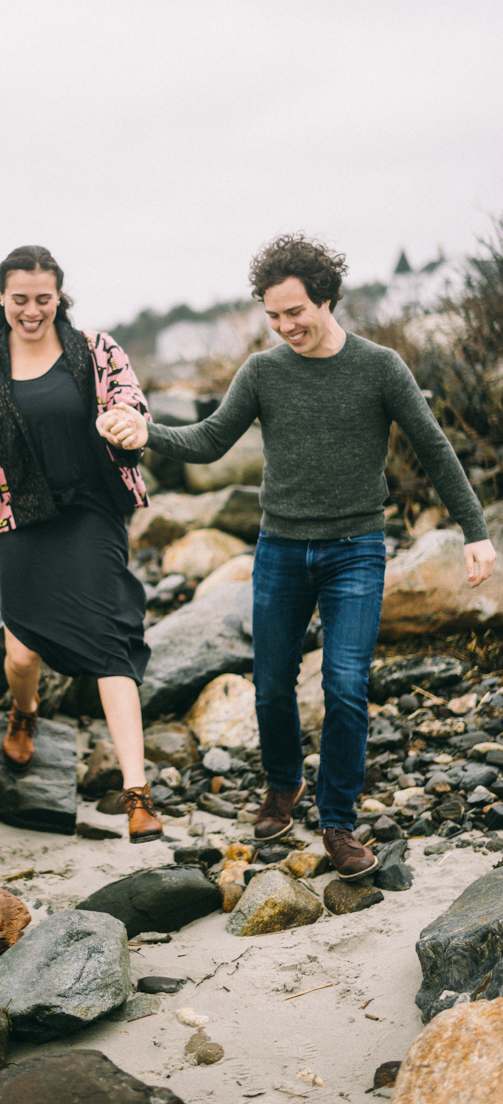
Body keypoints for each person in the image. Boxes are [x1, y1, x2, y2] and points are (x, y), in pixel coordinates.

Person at [98, 233, 497, 879]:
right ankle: (282, 787)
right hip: (281, 547)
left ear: (328, 298)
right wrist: (146, 434)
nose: (286, 327)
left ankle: (337, 821)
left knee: (344, 685)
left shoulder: (380, 366)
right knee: (273, 683)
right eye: (274, 317)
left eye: (296, 313)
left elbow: (434, 447)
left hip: (355, 551)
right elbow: (208, 441)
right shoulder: (263, 371)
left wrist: (475, 531)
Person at [0, 245, 163, 843]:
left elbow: (129, 401)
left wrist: (124, 422)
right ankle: (25, 710)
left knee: (112, 641)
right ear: (1, 299)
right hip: (19, 519)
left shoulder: (95, 350)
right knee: (20, 657)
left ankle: (137, 792)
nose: (33, 310)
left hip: (91, 512)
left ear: (59, 296)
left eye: (44, 298)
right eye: (21, 299)